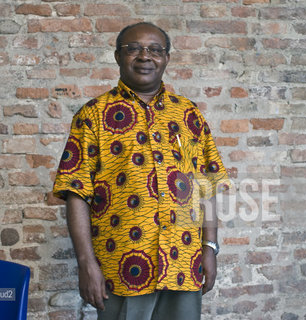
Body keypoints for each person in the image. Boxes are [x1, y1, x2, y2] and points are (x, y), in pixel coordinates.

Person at [53, 22, 228, 320]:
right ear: (117, 56)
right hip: (121, 267)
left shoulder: (188, 114)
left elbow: (206, 185)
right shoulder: (93, 115)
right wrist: (86, 263)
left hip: (183, 264)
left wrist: (209, 247)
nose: (145, 56)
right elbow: (76, 192)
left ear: (166, 58)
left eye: (155, 50)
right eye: (133, 48)